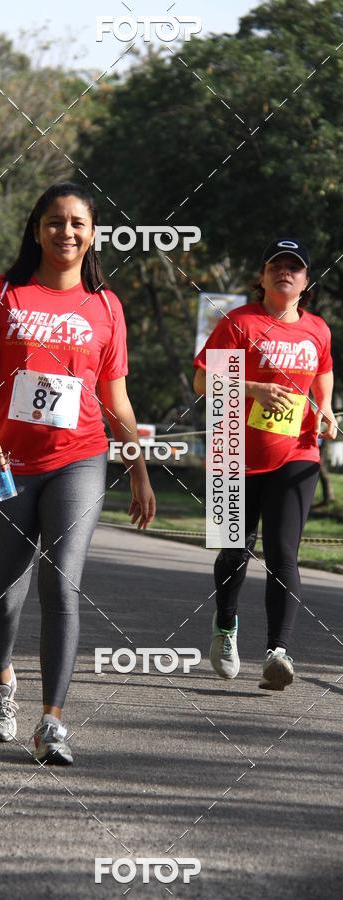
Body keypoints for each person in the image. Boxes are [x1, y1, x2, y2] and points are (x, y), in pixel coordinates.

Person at [0, 182, 156, 764]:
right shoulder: (3, 294)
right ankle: (0, 681)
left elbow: (115, 397)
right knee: (5, 591)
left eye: (77, 223)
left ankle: (53, 722)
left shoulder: (107, 306)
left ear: (93, 234)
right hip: (7, 463)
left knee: (61, 582)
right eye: (53, 221)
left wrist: (139, 467)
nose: (65, 232)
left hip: (80, 457)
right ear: (35, 228)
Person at [193, 238, 336, 691]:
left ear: (306, 282)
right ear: (262, 276)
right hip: (234, 446)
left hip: (297, 450)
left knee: (282, 551)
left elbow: (323, 372)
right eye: (276, 265)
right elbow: (202, 379)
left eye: (294, 268)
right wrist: (251, 388)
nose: (285, 273)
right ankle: (226, 624)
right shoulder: (239, 323)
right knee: (235, 550)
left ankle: (277, 651)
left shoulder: (318, 329)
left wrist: (326, 408)